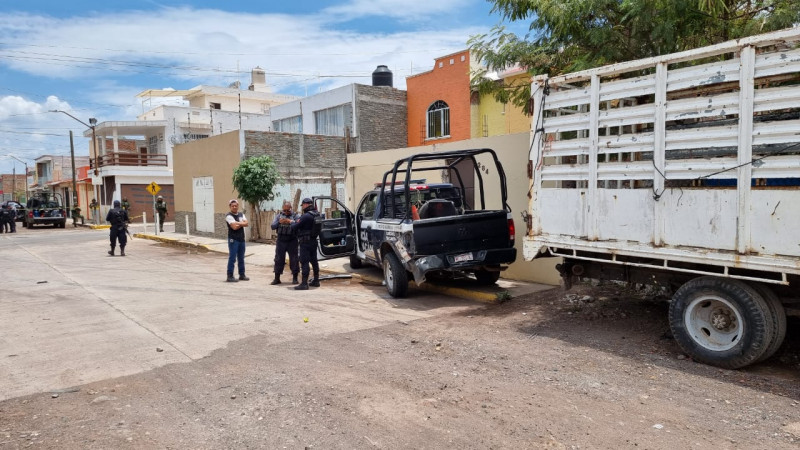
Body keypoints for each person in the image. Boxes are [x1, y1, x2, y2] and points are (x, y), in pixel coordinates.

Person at [290, 198, 320, 290]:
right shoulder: (317, 214)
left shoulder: (306, 216)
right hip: (313, 241)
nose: (302, 207)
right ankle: (316, 280)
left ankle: (304, 283)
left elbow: (295, 226)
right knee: (314, 261)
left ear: (306, 205)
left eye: (303, 205)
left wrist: (292, 222)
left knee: (304, 262)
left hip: (305, 242)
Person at [270, 201, 300, 285]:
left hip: (292, 240)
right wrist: (279, 222)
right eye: (285, 210)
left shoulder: (295, 216)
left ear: (291, 209)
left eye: (288, 210)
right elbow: (272, 226)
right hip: (281, 240)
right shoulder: (279, 216)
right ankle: (277, 278)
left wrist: (290, 221)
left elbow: (299, 225)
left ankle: (295, 278)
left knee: (294, 259)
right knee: (278, 259)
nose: (286, 212)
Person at [225, 199, 249, 282]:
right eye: (233, 206)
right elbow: (234, 227)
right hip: (233, 239)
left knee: (241, 258)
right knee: (232, 258)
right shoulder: (228, 216)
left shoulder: (241, 214)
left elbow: (247, 223)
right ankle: (230, 275)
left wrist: (237, 223)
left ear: (238, 206)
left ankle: (242, 275)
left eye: (236, 205)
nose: (234, 207)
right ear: (230, 207)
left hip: (241, 239)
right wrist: (242, 223)